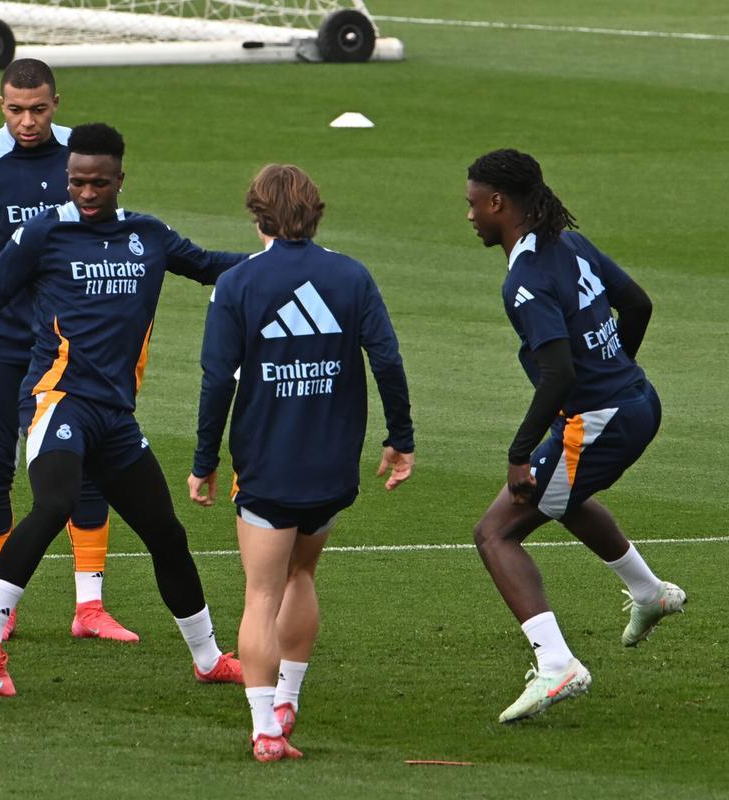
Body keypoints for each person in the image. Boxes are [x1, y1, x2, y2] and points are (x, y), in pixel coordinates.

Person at [0, 123, 249, 698]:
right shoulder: (43, 233)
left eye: (98, 183)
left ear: (120, 179)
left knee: (166, 534)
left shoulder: (148, 235)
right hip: (58, 400)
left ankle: (208, 659)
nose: (85, 192)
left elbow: (209, 264)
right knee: (56, 502)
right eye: (76, 181)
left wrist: (286, 260)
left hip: (115, 417)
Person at [187, 164, 415, 762]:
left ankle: (266, 728)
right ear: (316, 212)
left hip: (268, 465)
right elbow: (387, 360)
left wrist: (204, 460)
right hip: (331, 467)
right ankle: (288, 698)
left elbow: (217, 380)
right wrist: (400, 438)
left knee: (261, 594)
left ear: (256, 215)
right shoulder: (351, 275)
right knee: (302, 575)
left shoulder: (238, 282)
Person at [465, 149, 686, 724]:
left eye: (473, 204)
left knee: (495, 533)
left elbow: (559, 373)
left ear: (498, 203)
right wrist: (614, 369)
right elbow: (637, 304)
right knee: (562, 496)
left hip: (600, 419)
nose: (469, 215)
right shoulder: (570, 243)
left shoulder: (525, 280)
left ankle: (557, 665)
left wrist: (519, 453)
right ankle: (650, 593)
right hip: (636, 400)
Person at [0, 58, 134, 643]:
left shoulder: (81, 160)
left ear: (55, 103)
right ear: (1, 105)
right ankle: (0, 605)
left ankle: (90, 607)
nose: (27, 121)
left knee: (83, 462)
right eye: (16, 110)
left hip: (68, 345)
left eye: (38, 109)